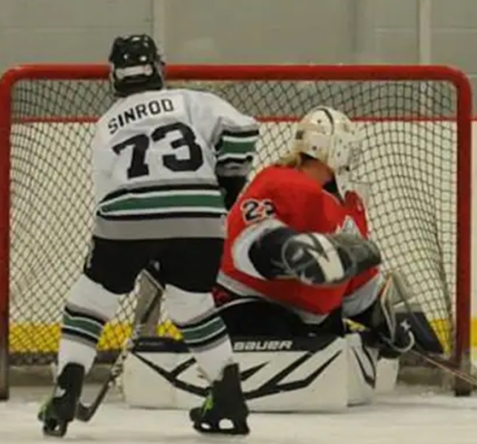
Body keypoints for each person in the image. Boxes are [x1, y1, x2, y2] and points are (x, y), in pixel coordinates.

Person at [38, 34, 259, 437]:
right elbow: (243, 132)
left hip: (127, 217)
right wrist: (224, 191)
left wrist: (132, 249)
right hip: (201, 219)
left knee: (89, 302)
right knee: (193, 306)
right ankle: (229, 397)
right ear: (159, 67)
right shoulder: (193, 101)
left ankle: (65, 391)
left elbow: (108, 192)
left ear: (115, 76)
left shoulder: (107, 123)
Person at [214, 106, 414, 358]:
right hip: (248, 308)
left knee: (337, 337)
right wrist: (295, 252)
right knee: (266, 325)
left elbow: (356, 294)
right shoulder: (281, 182)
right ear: (338, 149)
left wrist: (382, 321)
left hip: (312, 325)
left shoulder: (349, 207)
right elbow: (252, 242)